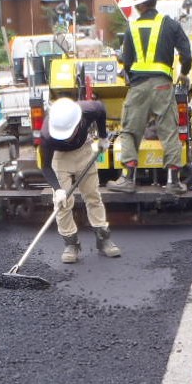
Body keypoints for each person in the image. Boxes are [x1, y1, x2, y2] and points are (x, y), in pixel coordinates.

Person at [106, 0, 192, 195]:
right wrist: (183, 73)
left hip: (139, 87)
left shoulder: (131, 29)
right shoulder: (171, 25)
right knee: (169, 131)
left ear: (138, 4)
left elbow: (125, 61)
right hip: (163, 86)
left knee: (130, 131)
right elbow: (186, 53)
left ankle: (128, 179)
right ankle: (173, 181)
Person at [41, 97, 120, 263]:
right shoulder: (47, 135)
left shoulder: (88, 110)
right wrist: (58, 189)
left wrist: (103, 137)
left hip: (84, 151)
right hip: (60, 158)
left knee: (92, 195)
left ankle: (103, 238)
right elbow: (46, 167)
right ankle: (71, 243)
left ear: (79, 123)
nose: (66, 139)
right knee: (62, 203)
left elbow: (101, 109)